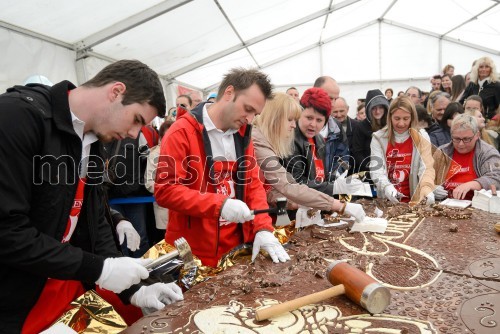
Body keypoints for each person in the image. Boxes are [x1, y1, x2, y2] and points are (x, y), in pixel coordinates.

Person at [0, 60, 183, 332]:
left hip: (60, 282)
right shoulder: (16, 117)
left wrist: (132, 289)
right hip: (14, 295)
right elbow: (7, 231)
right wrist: (100, 269)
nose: (134, 134)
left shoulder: (94, 141)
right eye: (136, 120)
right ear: (116, 91)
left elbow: (94, 221)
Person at [155, 68, 290, 268]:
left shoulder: (242, 135)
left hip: (236, 248)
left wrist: (263, 228)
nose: (250, 119)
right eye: (248, 109)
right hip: (195, 252)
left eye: (255, 114)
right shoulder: (181, 132)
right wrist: (220, 205)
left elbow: (252, 184)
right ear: (229, 93)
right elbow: (165, 191)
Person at [252, 93, 366, 221]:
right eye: (290, 120)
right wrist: (339, 205)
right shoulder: (260, 143)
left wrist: (296, 202)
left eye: (319, 120)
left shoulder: (318, 141)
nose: (293, 125)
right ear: (274, 118)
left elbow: (272, 189)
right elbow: (288, 185)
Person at [370, 96, 435, 204]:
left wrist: (426, 187)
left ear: (412, 117)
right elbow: (376, 170)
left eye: (406, 119)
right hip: (387, 201)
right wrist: (386, 186)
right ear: (390, 117)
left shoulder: (421, 136)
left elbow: (426, 167)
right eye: (397, 118)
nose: (401, 124)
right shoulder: (379, 138)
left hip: (415, 200)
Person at [284, 87, 349, 195]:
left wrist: (338, 180)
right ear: (299, 113)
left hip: (317, 205)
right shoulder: (291, 140)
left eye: (319, 120)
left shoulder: (319, 140)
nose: (313, 124)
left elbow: (323, 174)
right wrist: (334, 188)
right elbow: (298, 182)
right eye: (309, 118)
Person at [433, 114, 500, 200]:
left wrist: (473, 184)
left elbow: (496, 177)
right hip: (445, 203)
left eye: (466, 139)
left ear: (477, 135)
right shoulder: (442, 152)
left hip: (476, 205)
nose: (461, 144)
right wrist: (432, 188)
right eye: (456, 139)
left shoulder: (487, 152)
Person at [145, 120, 174, 232]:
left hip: (184, 211)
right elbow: (149, 183)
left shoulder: (185, 151)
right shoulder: (155, 155)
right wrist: (171, 190)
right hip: (164, 210)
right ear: (161, 137)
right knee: (167, 246)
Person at [351, 89, 389, 175]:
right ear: (368, 110)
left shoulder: (390, 126)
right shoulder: (360, 127)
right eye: (374, 108)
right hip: (369, 172)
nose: (377, 111)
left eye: (380, 107)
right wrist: (371, 169)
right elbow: (357, 152)